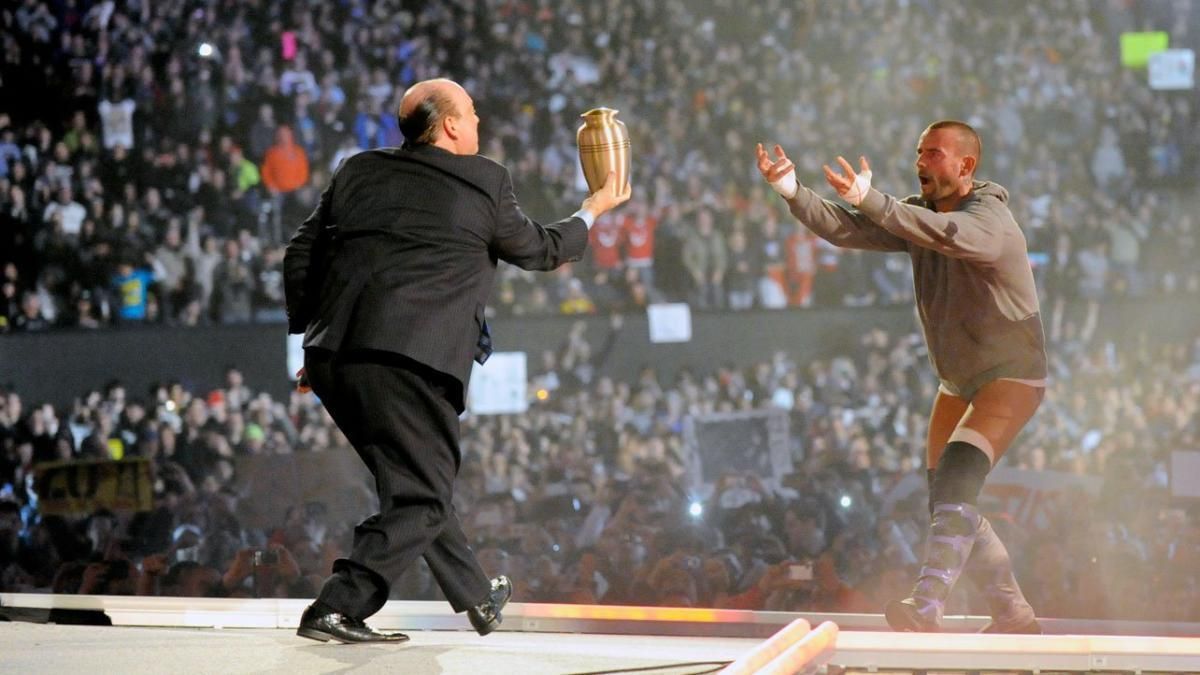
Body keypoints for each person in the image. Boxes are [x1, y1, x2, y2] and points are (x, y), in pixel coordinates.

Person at [284, 77, 630, 644]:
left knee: (413, 483)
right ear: (448, 125)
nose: (478, 123)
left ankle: (475, 597)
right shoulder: (484, 180)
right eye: (471, 114)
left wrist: (317, 335)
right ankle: (337, 606)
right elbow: (541, 249)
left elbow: (301, 252)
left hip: (335, 358)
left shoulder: (358, 169)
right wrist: (592, 210)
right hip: (411, 362)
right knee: (423, 494)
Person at [755, 120, 1046, 634]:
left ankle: (927, 604)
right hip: (957, 379)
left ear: (966, 165)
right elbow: (848, 229)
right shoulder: (922, 214)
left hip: (1012, 372)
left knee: (958, 475)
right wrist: (792, 192)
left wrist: (879, 202)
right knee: (949, 501)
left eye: (933, 154)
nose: (920, 163)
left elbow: (949, 237)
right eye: (918, 153)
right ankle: (1012, 613)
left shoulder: (990, 219)